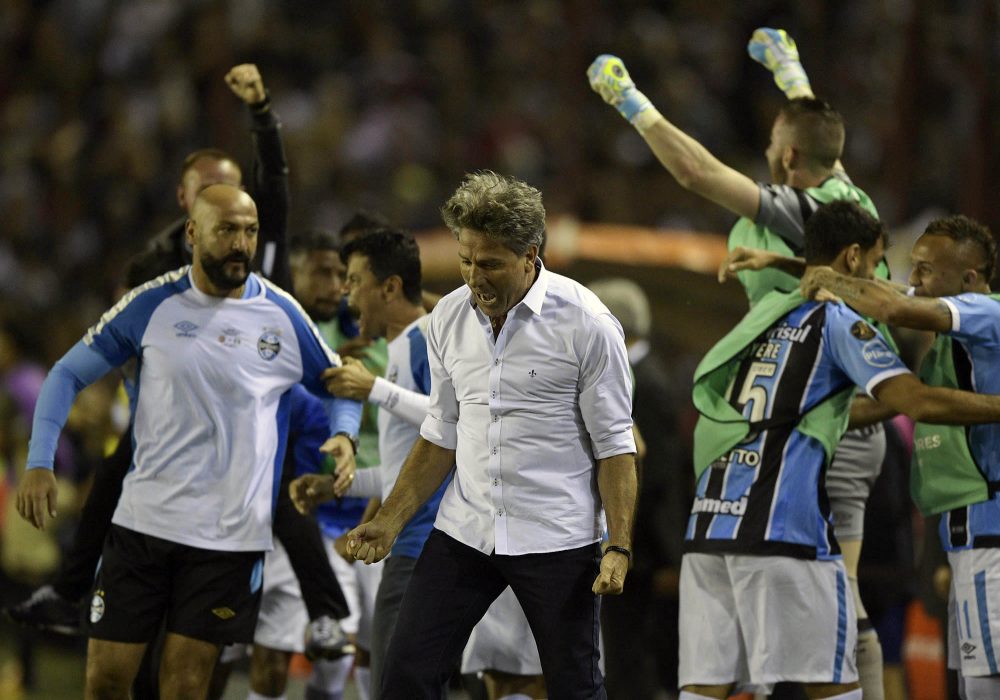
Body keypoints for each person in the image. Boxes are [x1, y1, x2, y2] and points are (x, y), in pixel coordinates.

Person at [4, 65, 355, 663]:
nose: (240, 237)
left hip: (253, 427)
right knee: (115, 479)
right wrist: (43, 460)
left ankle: (324, 614)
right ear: (190, 215)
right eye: (220, 215)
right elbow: (78, 368)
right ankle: (70, 593)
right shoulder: (152, 284)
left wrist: (262, 113)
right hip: (160, 456)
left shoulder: (270, 277)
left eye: (245, 218)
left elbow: (278, 179)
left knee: (281, 495)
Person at [589, 31, 892, 698]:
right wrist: (788, 68)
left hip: (819, 423)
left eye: (771, 153)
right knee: (827, 606)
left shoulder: (802, 210)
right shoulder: (852, 198)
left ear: (786, 159)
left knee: (837, 608)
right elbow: (818, 128)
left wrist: (628, 98)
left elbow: (696, 172)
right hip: (817, 415)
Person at [333, 171, 637, 699]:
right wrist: (390, 519)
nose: (476, 276)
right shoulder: (448, 317)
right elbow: (439, 434)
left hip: (557, 538)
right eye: (466, 260)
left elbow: (616, 447)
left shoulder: (587, 324)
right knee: (405, 675)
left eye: (492, 263)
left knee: (575, 688)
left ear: (530, 255)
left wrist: (619, 546)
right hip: (465, 532)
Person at [682, 200, 1000, 700]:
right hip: (787, 527)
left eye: (921, 269)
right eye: (878, 263)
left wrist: (788, 267)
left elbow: (805, 405)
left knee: (705, 686)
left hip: (709, 523)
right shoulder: (838, 320)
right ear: (853, 258)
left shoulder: (761, 317)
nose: (893, 278)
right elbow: (909, 395)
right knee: (836, 681)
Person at [796, 214, 1000, 700]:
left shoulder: (986, 312)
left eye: (925, 270)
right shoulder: (957, 336)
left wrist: (829, 279)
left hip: (991, 531)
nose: (913, 280)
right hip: (969, 530)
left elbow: (888, 305)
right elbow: (903, 397)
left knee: (985, 688)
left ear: (969, 279)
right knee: (973, 687)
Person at [291, 227, 452, 699]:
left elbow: (456, 422)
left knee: (397, 687)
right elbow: (410, 467)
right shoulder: (403, 347)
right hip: (409, 543)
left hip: (424, 544)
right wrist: (335, 486)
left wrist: (373, 389)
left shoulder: (426, 340)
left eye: (355, 279)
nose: (346, 292)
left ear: (390, 287)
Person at [588, 277, 687, 699]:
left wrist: (639, 546)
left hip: (640, 552)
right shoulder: (636, 376)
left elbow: (659, 475)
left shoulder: (646, 383)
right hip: (635, 547)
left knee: (632, 659)